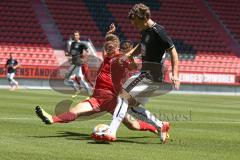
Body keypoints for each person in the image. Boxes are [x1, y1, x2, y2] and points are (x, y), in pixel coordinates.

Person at [35, 33, 160, 142]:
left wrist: (132, 53)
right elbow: (107, 46)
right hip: (99, 97)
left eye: (110, 46)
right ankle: (52, 119)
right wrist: (109, 34)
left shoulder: (121, 58)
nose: (107, 48)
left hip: (110, 98)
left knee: (132, 124)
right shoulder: (108, 57)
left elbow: (133, 67)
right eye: (106, 46)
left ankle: (155, 128)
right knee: (131, 124)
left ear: (117, 47)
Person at [95, 3, 180, 143]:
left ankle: (111, 131)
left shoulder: (159, 31)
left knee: (122, 96)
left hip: (151, 76)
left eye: (136, 22)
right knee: (131, 107)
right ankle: (160, 125)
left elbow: (174, 52)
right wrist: (127, 55)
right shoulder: (145, 31)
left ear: (144, 18)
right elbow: (141, 46)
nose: (134, 26)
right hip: (147, 75)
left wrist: (175, 74)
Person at [64, 31, 93, 96]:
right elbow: (72, 53)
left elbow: (88, 52)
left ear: (79, 36)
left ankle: (85, 91)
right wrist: (68, 54)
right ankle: (82, 90)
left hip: (78, 63)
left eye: (76, 35)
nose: (75, 36)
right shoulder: (72, 43)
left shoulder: (81, 44)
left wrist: (84, 59)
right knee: (72, 79)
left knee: (74, 78)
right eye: (74, 35)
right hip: (73, 63)